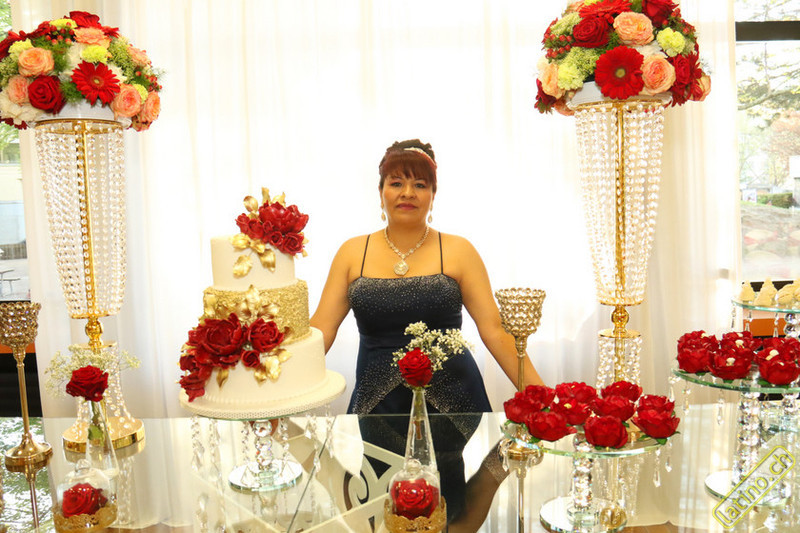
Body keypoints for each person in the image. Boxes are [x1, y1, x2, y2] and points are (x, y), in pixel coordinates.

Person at [310, 139, 544, 415]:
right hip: (377, 407)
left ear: (434, 194)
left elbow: (494, 331)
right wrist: (279, 392)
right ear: (381, 192)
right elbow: (321, 330)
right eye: (396, 183)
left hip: (456, 405)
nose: (407, 193)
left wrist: (545, 401)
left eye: (420, 185)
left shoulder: (460, 251)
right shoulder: (352, 252)